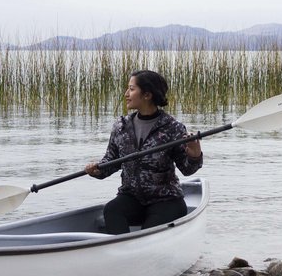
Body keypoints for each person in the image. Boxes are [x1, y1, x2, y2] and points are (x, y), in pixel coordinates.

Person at [85, 70, 203, 234]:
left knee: (150, 231)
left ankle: (138, 251)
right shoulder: (121, 126)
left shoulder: (173, 128)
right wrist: (96, 170)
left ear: (147, 95)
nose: (126, 94)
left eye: (131, 89)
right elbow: (110, 162)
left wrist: (194, 152)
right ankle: (120, 252)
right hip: (131, 197)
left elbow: (187, 169)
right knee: (112, 210)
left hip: (166, 200)